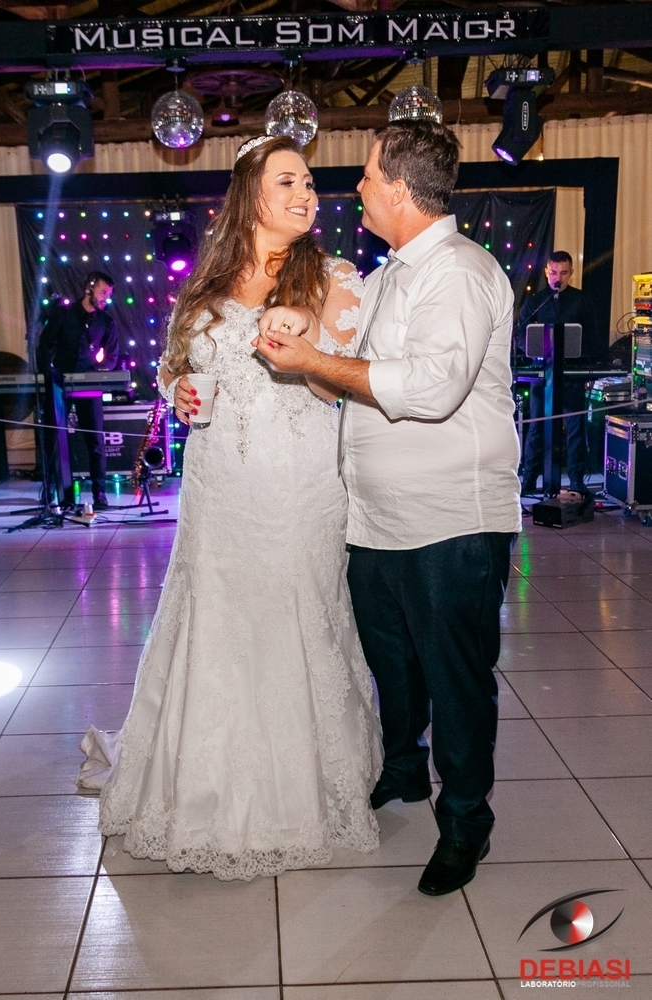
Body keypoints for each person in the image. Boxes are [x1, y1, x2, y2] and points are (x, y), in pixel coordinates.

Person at [77, 135, 382, 880]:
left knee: (292, 618)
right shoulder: (205, 284)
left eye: (309, 182)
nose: (306, 194)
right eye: (288, 182)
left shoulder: (334, 277)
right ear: (250, 196)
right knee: (213, 620)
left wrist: (305, 341)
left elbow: (336, 385)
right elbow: (172, 368)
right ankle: (200, 785)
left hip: (297, 485)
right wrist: (177, 392)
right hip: (217, 487)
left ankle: (297, 794)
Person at [254, 121, 521, 897]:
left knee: (454, 675)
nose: (358, 188)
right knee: (391, 663)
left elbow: (432, 390)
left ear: (399, 188)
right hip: (373, 518)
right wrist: (298, 350)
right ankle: (402, 768)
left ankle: (464, 819)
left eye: (368, 176)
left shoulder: (460, 272)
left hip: (449, 518)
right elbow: (347, 367)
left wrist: (314, 360)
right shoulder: (385, 277)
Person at [516, 251, 599, 497]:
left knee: (575, 429)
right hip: (543, 375)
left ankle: (576, 481)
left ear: (571, 273)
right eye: (553, 272)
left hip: (571, 375)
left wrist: (587, 369)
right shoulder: (537, 301)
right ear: (546, 272)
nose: (558, 278)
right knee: (536, 428)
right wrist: (533, 351)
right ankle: (529, 479)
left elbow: (592, 337)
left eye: (563, 273)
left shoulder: (582, 300)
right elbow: (521, 334)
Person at [36, 271, 118, 509]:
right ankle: (55, 491)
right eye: (103, 292)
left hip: (89, 384)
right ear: (89, 287)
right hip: (60, 383)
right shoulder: (64, 314)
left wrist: (97, 371)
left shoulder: (106, 322)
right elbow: (44, 345)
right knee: (54, 438)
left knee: (95, 440)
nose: (106, 298)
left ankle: (99, 494)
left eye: (109, 294)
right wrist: (49, 373)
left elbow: (112, 357)